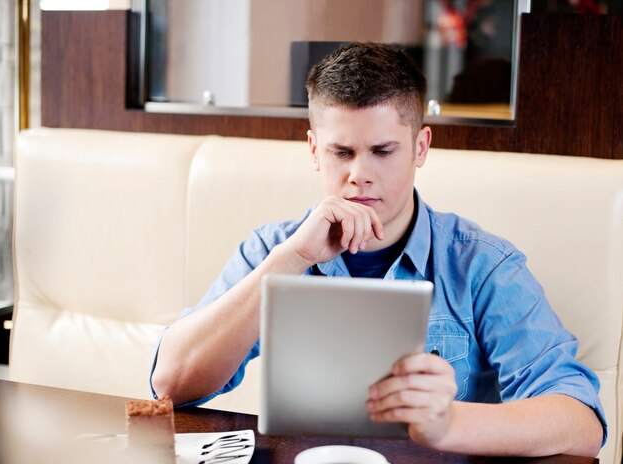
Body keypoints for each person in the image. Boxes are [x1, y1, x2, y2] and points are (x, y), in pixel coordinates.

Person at [151, 42, 606, 457]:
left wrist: (448, 423)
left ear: (420, 147)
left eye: (383, 151)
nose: (360, 174)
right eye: (342, 153)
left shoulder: (483, 265)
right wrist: (292, 260)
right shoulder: (274, 250)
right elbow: (170, 384)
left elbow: (580, 422)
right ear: (314, 151)